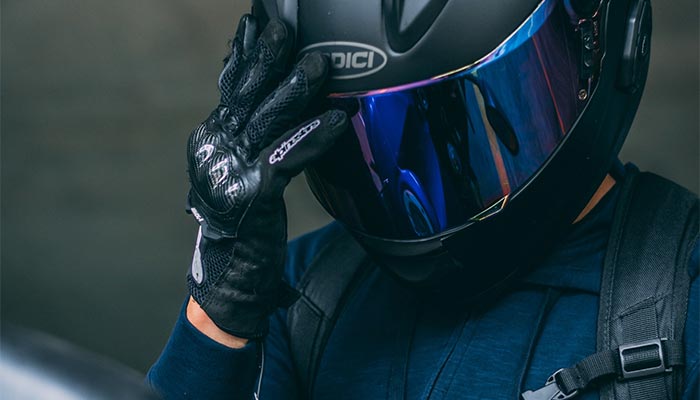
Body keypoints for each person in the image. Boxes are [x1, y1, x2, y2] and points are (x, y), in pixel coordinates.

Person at [147, 0, 698, 398]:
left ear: (605, 46)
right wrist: (221, 308)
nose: (414, 191)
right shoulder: (306, 297)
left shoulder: (682, 300)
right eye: (361, 138)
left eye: (468, 126)